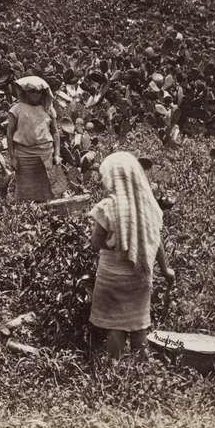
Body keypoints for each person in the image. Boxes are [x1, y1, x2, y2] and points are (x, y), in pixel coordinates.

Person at [88, 152, 175, 359]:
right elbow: (156, 241)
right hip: (140, 275)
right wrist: (165, 269)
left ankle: (114, 368)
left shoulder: (108, 207)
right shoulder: (147, 207)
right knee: (138, 325)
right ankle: (141, 365)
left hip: (112, 276)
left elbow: (96, 242)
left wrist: (116, 244)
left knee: (116, 327)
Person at [6, 76, 62, 202]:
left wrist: (57, 154)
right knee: (26, 193)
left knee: (48, 190)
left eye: (38, 92)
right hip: (24, 154)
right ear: (25, 92)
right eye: (31, 91)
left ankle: (47, 214)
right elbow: (9, 133)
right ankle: (30, 215)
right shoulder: (16, 109)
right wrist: (13, 157)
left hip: (45, 153)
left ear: (43, 93)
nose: (35, 95)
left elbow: (55, 133)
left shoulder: (48, 109)